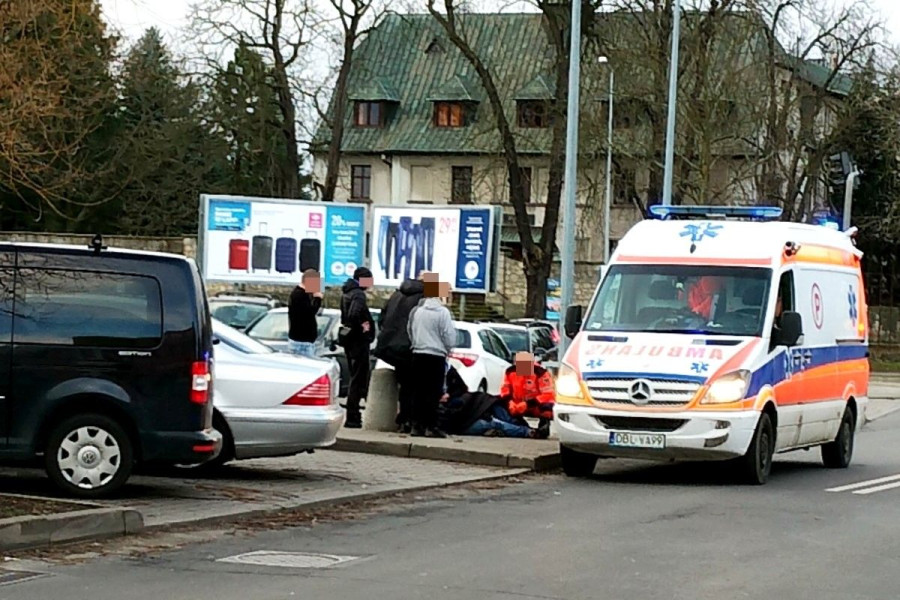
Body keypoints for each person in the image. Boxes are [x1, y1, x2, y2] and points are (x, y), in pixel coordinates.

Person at [438, 365, 549, 439]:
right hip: (462, 419)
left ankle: (529, 428)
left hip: (527, 406)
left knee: (495, 407)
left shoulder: (539, 373)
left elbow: (462, 388)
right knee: (494, 422)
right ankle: (529, 432)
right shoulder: (512, 371)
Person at [374, 277, 425, 433]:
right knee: (416, 386)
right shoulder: (423, 298)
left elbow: (382, 318)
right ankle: (411, 421)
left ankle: (404, 420)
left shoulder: (396, 295)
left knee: (405, 385)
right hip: (411, 347)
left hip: (391, 346)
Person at [407, 273, 456, 438]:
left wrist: (417, 343)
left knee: (418, 391)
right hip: (436, 355)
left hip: (418, 353)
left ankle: (416, 425)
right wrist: (448, 348)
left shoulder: (417, 311)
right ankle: (431, 426)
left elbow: (410, 329)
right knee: (433, 392)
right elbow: (449, 336)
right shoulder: (443, 313)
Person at [340, 267, 376, 428]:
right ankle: (353, 416)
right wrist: (364, 326)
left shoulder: (347, 292)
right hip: (358, 342)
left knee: (355, 377)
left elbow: (346, 316)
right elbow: (354, 315)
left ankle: (352, 413)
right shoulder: (358, 294)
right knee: (358, 379)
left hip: (349, 341)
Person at [501, 351, 555, 433]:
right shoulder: (510, 371)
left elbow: (548, 394)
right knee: (497, 404)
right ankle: (520, 425)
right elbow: (505, 390)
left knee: (548, 405)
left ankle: (544, 426)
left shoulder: (541, 373)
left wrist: (528, 404)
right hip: (516, 405)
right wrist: (510, 402)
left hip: (535, 405)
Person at [287, 269, 323, 358]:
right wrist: (318, 299)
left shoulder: (302, 294)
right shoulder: (299, 295)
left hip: (304, 341)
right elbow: (310, 313)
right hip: (302, 342)